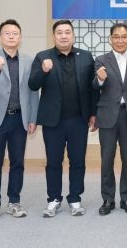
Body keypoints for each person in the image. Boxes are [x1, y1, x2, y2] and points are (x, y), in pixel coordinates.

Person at [28, 20, 97, 218]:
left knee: (78, 161)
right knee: (53, 162)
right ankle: (54, 199)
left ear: (73, 35)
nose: (64, 36)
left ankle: (75, 198)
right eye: (59, 32)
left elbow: (93, 88)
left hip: (78, 120)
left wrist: (93, 113)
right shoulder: (42, 57)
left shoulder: (85, 56)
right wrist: (43, 71)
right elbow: (33, 85)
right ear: (54, 36)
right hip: (53, 121)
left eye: (67, 32)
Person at [0, 19, 39, 222]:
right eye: (7, 33)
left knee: (17, 163)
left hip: (19, 119)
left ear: (20, 37)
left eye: (15, 33)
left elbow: (33, 92)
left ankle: (14, 201)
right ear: (0, 37)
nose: (11, 36)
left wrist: (32, 118)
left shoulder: (28, 61)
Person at [93, 23, 127, 216]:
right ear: (110, 39)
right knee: (106, 160)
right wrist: (99, 79)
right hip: (107, 116)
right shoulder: (101, 60)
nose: (120, 40)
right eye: (116, 37)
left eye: (124, 37)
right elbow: (94, 87)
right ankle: (108, 199)